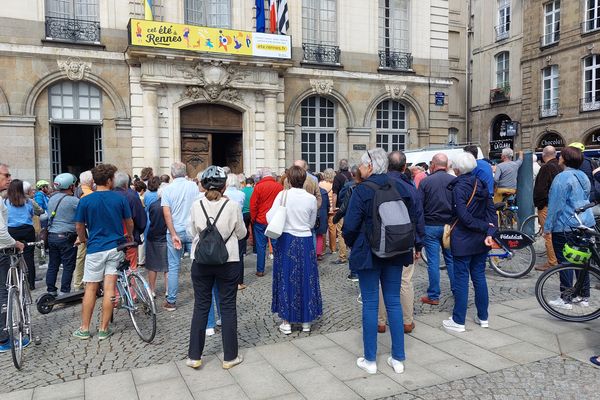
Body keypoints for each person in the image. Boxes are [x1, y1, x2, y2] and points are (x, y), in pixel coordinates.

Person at [343, 148, 423, 375]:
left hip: (369, 253)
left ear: (369, 166)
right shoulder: (401, 186)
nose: (359, 168)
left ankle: (370, 360)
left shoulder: (362, 190)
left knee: (370, 304)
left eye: (361, 164)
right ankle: (398, 358)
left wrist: (351, 243)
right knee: (394, 302)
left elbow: (350, 225)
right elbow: (413, 218)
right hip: (396, 250)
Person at [186, 166, 246, 370]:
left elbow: (191, 230)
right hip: (228, 259)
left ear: (202, 185)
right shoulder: (233, 206)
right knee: (228, 307)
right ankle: (230, 356)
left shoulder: (196, 205)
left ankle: (194, 356)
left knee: (201, 306)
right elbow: (241, 233)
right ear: (224, 186)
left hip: (201, 260)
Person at [73, 163, 134, 340]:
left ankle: (84, 328)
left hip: (95, 248)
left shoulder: (85, 200)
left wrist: (83, 239)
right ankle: (103, 329)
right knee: (109, 288)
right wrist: (129, 236)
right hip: (115, 246)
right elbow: (129, 222)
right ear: (109, 180)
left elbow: (78, 225)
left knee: (90, 289)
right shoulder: (119, 199)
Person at [443, 152, 496, 333]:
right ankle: (483, 317)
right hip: (480, 239)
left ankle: (459, 320)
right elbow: (491, 211)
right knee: (479, 277)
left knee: (462, 279)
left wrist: (484, 228)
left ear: (456, 169)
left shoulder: (459, 187)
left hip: (464, 238)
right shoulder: (481, 183)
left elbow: (464, 217)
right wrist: (489, 230)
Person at [267, 166, 321, 334]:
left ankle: (287, 321)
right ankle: (306, 321)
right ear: (304, 179)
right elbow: (311, 223)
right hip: (305, 240)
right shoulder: (310, 199)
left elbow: (270, 217)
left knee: (286, 278)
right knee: (306, 278)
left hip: (287, 239)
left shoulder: (283, 195)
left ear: (289, 179)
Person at [544, 146, 595, 310]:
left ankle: (566, 298)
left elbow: (555, 205)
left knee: (565, 261)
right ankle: (583, 296)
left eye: (560, 157)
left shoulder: (562, 177)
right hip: (585, 222)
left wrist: (547, 226)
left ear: (564, 159)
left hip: (566, 224)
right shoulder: (583, 176)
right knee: (582, 260)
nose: (559, 158)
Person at [382, 151, 425, 334]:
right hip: (405, 238)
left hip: (383, 239)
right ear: (404, 167)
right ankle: (407, 321)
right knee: (404, 280)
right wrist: (418, 244)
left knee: (380, 281)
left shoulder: (379, 184)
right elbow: (417, 216)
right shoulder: (409, 187)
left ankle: (380, 321)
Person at [161, 162, 200, 311]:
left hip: (175, 229)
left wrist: (173, 233)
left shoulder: (168, 189)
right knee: (196, 263)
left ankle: (171, 301)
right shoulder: (193, 186)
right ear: (185, 172)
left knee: (173, 266)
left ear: (172, 174)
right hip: (191, 229)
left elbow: (167, 213)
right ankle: (200, 294)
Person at [419, 154, 455, 306]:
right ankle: (457, 290)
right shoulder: (454, 181)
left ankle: (433, 295)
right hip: (449, 226)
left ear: (433, 165)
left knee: (433, 262)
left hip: (430, 225)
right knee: (451, 260)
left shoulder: (426, 182)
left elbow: (418, 207)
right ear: (446, 165)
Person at [0, 163, 25, 352]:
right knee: (3, 292)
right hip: (2, 250)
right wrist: (15, 243)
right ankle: (3, 338)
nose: (9, 178)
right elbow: (1, 232)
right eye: (6, 175)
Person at [45, 173, 79, 296]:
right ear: (71, 186)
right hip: (66, 237)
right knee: (68, 265)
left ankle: (51, 290)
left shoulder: (52, 198)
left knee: (53, 264)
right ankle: (65, 292)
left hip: (52, 235)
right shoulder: (73, 201)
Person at [533, 146, 562, 272]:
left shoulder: (546, 167)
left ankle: (552, 262)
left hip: (546, 205)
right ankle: (557, 258)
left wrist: (540, 205)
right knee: (556, 233)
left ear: (544, 155)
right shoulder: (560, 166)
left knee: (548, 233)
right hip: (558, 205)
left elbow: (541, 189)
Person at [250, 167, 283, 277]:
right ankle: (279, 268)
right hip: (274, 219)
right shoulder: (279, 186)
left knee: (260, 246)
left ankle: (260, 269)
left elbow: (253, 205)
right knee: (276, 245)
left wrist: (253, 218)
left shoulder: (259, 187)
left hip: (260, 219)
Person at [4, 179, 37, 290]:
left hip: (12, 230)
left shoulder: (5, 201)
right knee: (29, 257)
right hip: (27, 230)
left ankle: (15, 280)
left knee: (12, 256)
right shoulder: (27, 201)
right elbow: (32, 214)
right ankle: (31, 283)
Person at [114, 172, 147, 270]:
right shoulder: (132, 196)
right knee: (131, 266)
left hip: (112, 236)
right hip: (129, 236)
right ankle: (130, 284)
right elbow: (140, 218)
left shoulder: (109, 195)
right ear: (126, 183)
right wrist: (138, 231)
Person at [333, 165, 361, 281]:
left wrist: (336, 217)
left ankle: (354, 272)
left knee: (353, 245)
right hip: (364, 221)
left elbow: (344, 204)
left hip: (351, 218)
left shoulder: (350, 186)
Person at [223, 173, 247, 290]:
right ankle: (239, 281)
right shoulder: (241, 194)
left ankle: (227, 279)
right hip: (238, 223)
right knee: (240, 255)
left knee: (226, 253)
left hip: (226, 225)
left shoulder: (224, 194)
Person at [145, 184, 168, 297]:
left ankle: (152, 289)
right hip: (165, 236)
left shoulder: (153, 205)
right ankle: (168, 289)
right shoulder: (168, 205)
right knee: (167, 266)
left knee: (152, 266)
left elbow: (150, 220)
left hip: (153, 236)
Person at [73, 170, 93, 290]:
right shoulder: (89, 194)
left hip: (77, 226)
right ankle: (84, 282)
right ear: (91, 181)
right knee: (86, 256)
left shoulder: (75, 191)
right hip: (86, 228)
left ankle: (78, 282)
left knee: (80, 257)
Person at [332, 160, 352, 264]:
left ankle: (342, 256)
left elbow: (335, 194)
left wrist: (334, 207)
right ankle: (351, 254)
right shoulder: (352, 175)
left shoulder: (338, 177)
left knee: (341, 232)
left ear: (339, 167)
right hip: (352, 207)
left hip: (341, 207)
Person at [319, 168, 336, 254]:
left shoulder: (321, 184)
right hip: (332, 208)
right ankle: (333, 248)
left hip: (323, 208)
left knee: (323, 229)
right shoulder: (334, 184)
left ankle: (323, 249)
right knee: (332, 229)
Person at [315, 185, 330, 262]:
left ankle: (314, 252)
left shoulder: (311, 191)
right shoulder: (324, 192)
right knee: (320, 235)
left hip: (314, 214)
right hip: (323, 214)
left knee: (314, 234)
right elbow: (328, 205)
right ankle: (319, 253)